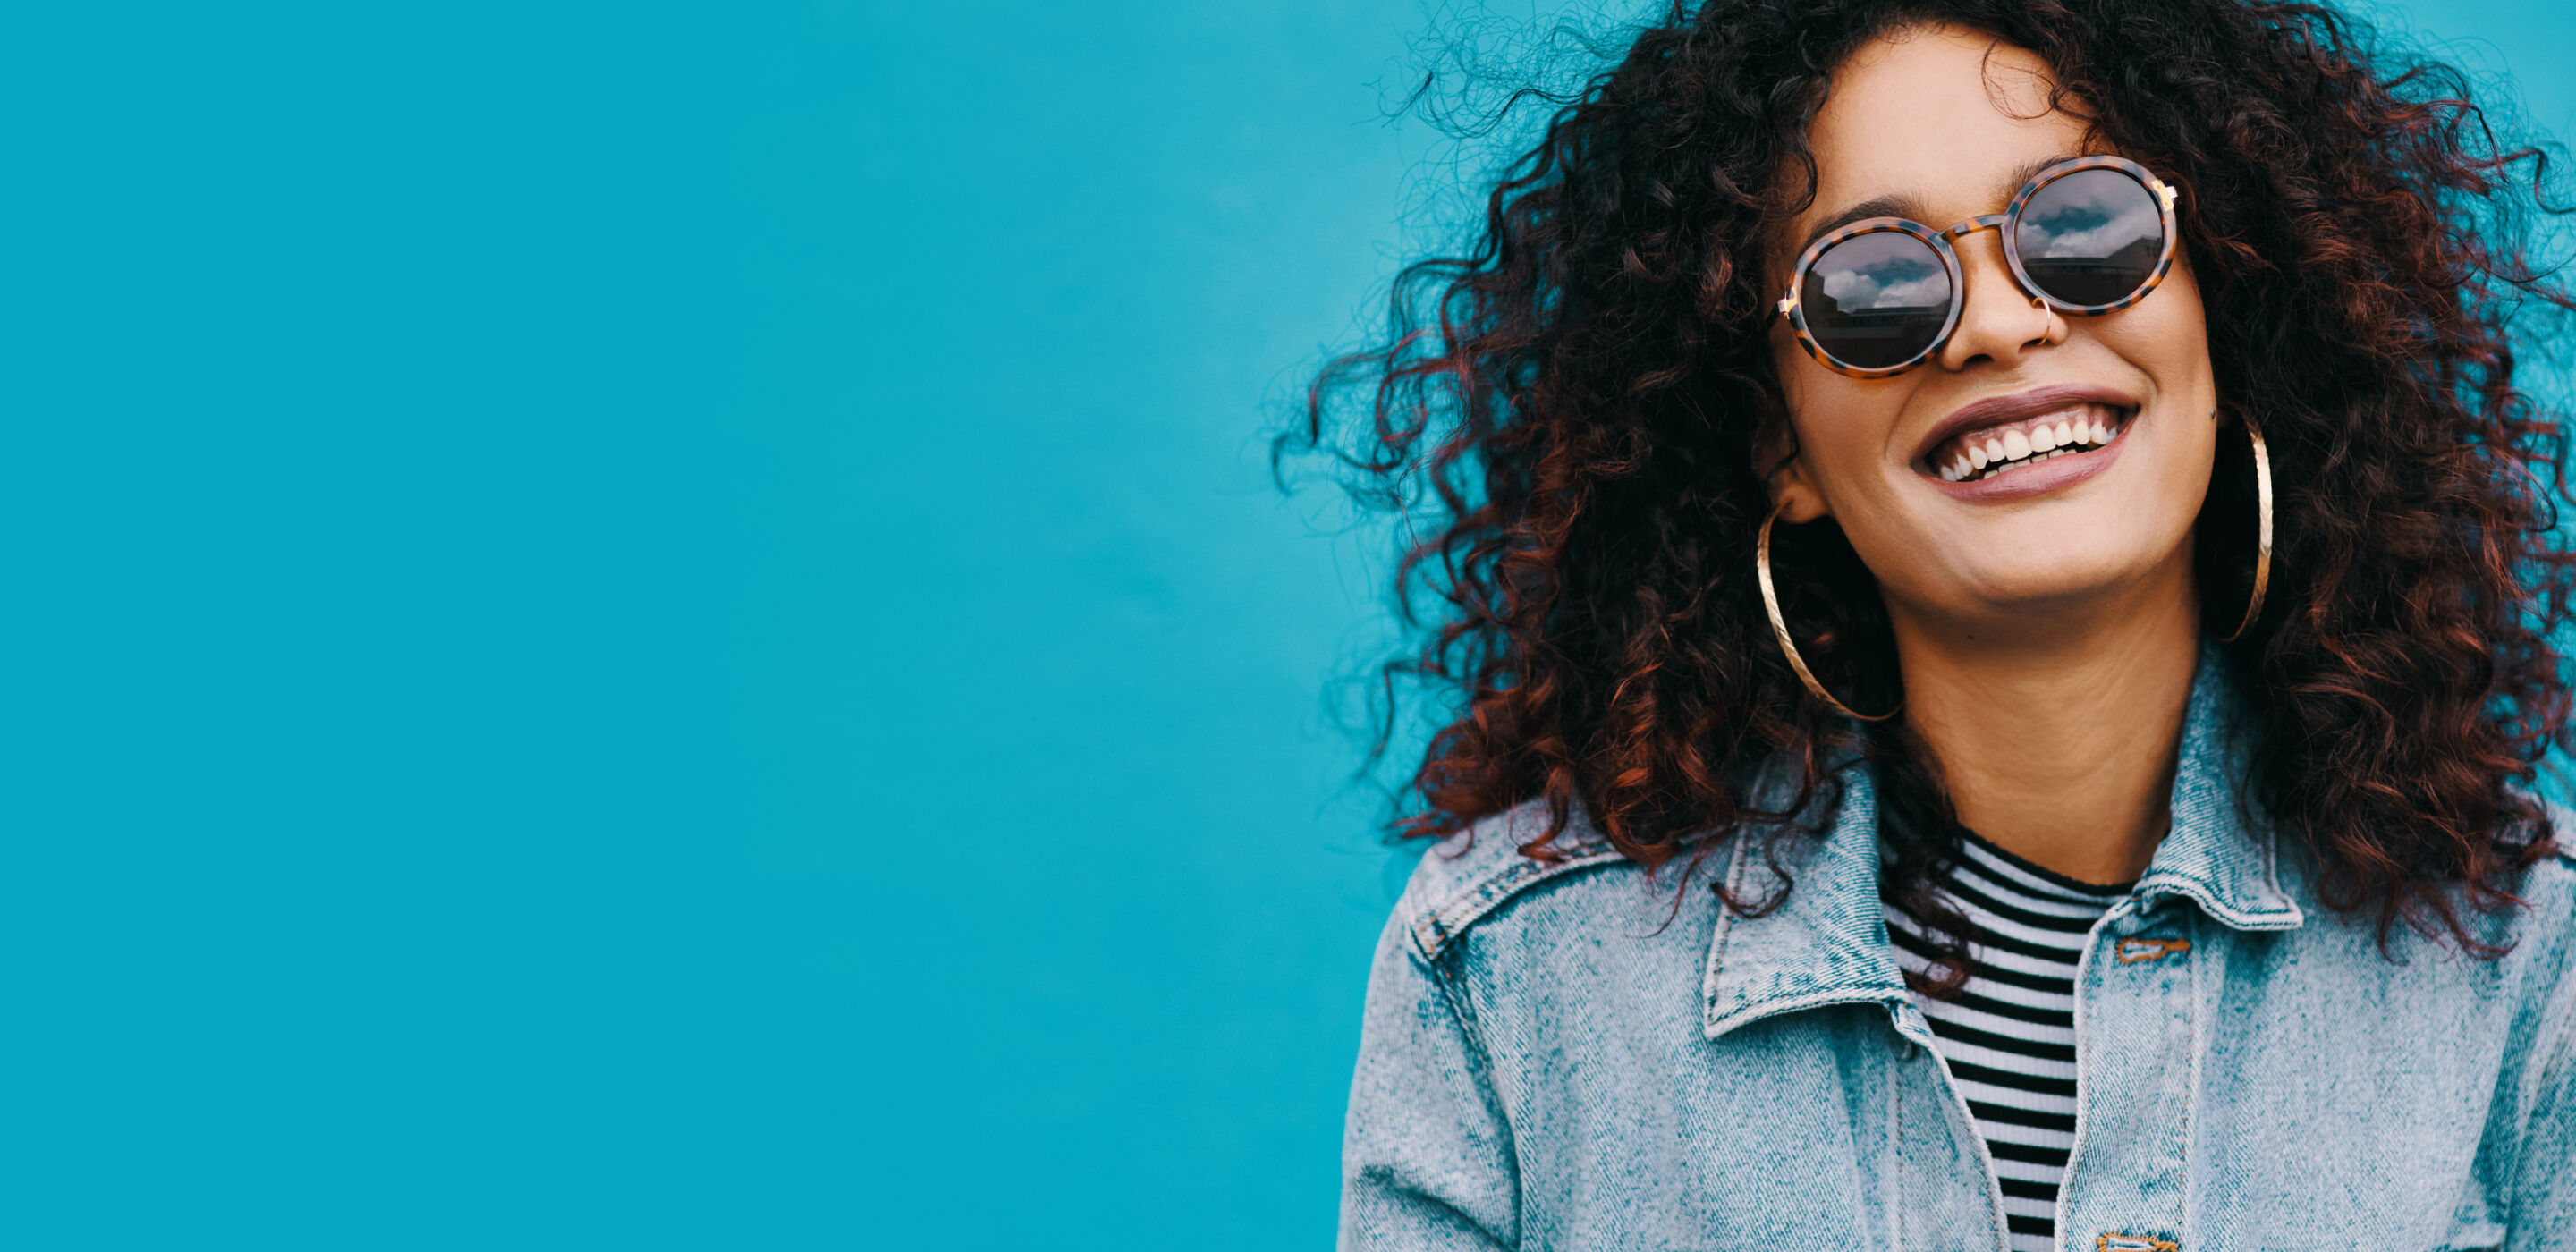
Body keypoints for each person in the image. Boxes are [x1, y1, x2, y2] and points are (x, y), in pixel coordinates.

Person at [1296, 1, 2576, 1248]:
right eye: (1874, 287)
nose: (2005, 324)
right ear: (1778, 444)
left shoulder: (2536, 974)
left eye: (2084, 227)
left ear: (2223, 318)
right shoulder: (1513, 976)